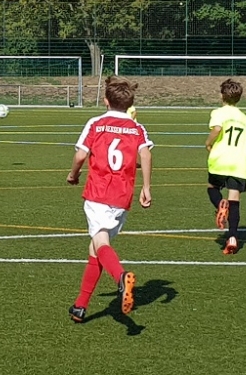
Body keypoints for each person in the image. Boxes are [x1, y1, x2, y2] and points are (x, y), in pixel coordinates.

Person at [66, 76, 153, 322]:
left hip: (98, 192)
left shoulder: (96, 123)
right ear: (130, 103)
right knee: (95, 248)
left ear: (106, 100)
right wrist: (146, 187)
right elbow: (146, 155)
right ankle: (80, 306)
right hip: (122, 195)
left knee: (100, 241)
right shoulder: (137, 128)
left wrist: (73, 175)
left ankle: (121, 277)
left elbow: (81, 156)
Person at [205, 79, 246, 255]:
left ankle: (220, 204)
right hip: (239, 164)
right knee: (234, 200)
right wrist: (242, 150)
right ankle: (233, 238)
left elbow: (217, 128)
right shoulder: (245, 119)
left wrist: (208, 142)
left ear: (222, 96)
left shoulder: (219, 112)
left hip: (220, 160)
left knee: (212, 187)